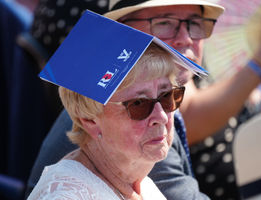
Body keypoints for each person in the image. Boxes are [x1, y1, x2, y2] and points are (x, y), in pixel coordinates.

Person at [25, 0, 261, 199]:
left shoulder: (139, 177)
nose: (184, 38)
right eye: (139, 106)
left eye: (171, 98)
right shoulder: (119, 150)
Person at [28, 41, 192, 199]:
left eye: (166, 96)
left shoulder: (140, 185)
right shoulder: (67, 195)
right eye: (138, 104)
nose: (161, 116)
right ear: (90, 120)